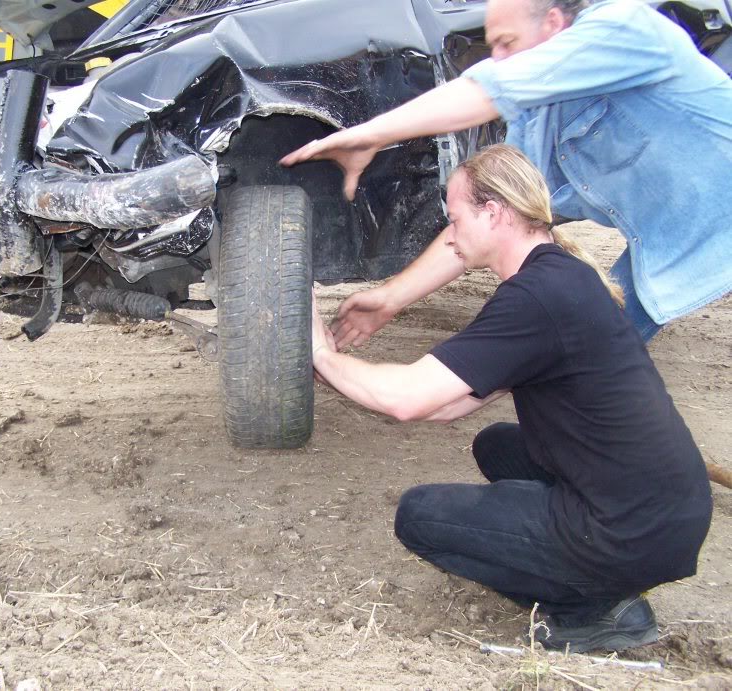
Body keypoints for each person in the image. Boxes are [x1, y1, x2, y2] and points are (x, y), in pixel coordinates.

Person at [309, 144, 712, 653]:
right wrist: (345, 374)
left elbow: (407, 400)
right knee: (496, 444)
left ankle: (596, 608)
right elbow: (447, 405)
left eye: (455, 220)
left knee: (420, 517)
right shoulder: (562, 275)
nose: (450, 236)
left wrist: (322, 356)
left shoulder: (533, 300)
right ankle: (596, 569)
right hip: (666, 508)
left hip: (629, 532)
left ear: (494, 213)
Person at [282, 0, 732, 344]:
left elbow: (487, 90)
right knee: (587, 348)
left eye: (506, 43)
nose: (498, 58)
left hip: (718, 215)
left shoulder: (626, 28)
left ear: (554, 24)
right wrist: (391, 298)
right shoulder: (534, 123)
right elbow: (488, 218)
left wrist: (371, 135)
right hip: (665, 241)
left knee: (590, 354)